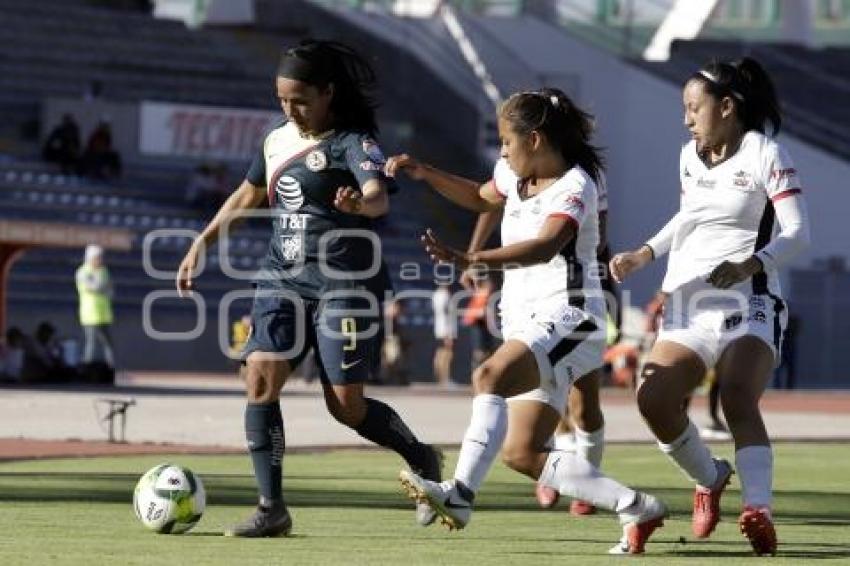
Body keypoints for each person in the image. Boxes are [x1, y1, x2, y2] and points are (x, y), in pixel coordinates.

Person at [175, 39, 442, 537]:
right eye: (281, 99)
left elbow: (378, 196)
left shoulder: (353, 141)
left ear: (328, 93)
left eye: (299, 99)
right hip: (282, 277)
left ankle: (422, 456)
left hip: (347, 285)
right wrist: (201, 244)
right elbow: (246, 195)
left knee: (345, 407)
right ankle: (271, 508)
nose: (289, 109)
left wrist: (360, 206)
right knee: (258, 380)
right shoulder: (276, 139)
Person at [386, 88, 666, 555]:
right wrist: (424, 172)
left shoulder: (576, 186)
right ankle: (637, 506)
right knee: (522, 453)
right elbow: (479, 197)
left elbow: (544, 246)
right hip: (529, 322)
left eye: (505, 142)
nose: (501, 152)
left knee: (488, 375)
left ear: (534, 139)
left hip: (573, 317)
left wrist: (473, 256)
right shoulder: (512, 175)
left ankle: (460, 495)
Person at [609, 58, 810, 556]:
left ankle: (758, 509)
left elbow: (799, 234)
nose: (686, 118)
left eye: (693, 107)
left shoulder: (766, 153)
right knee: (653, 401)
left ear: (727, 106)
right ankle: (710, 476)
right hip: (688, 303)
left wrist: (750, 265)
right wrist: (643, 253)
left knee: (737, 395)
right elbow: (688, 216)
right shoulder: (689, 155)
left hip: (751, 300)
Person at [76, 245, 115, 368]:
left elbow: (110, 289)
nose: (100, 260)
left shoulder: (103, 271)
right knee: (91, 344)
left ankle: (111, 367)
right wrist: (102, 286)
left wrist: (103, 288)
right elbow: (94, 287)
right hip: (90, 314)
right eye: (97, 257)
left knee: (108, 344)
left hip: (103, 314)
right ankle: (87, 367)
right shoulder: (83, 272)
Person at [431, 281, 456, 386]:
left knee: (440, 354)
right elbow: (445, 314)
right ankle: (444, 379)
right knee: (446, 355)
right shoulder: (444, 296)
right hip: (445, 330)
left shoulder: (436, 295)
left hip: (440, 329)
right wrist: (448, 334)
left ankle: (441, 379)